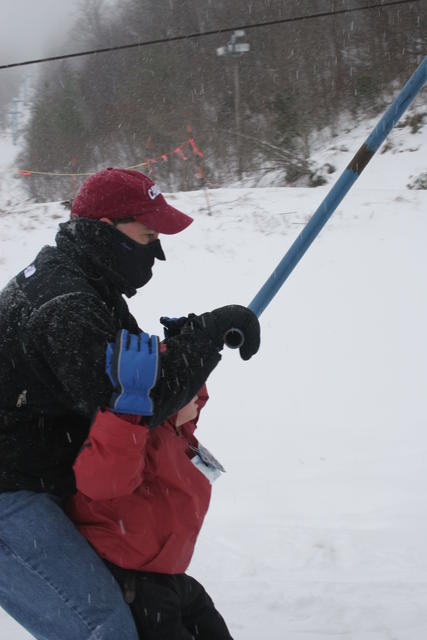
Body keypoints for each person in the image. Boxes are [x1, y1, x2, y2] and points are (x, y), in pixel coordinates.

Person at [0, 167, 260, 640]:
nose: (156, 252)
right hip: (10, 498)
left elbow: (137, 380)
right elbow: (132, 406)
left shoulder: (87, 283)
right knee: (105, 628)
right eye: (147, 235)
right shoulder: (64, 303)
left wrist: (187, 343)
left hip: (44, 475)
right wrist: (205, 337)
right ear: (105, 230)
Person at [67, 385, 233, 639]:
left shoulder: (180, 435)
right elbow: (102, 481)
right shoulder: (138, 437)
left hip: (170, 577)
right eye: (190, 391)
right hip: (134, 583)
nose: (198, 399)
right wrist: (129, 418)